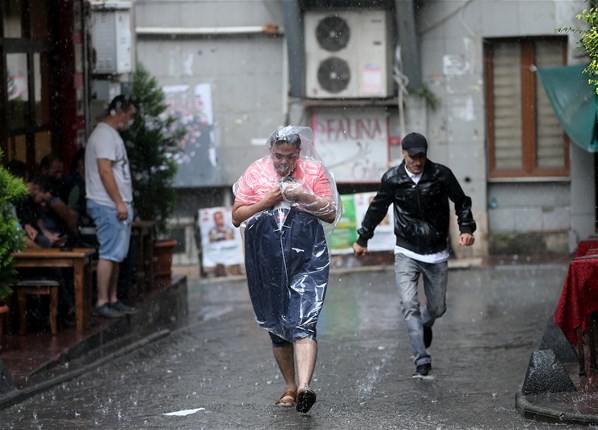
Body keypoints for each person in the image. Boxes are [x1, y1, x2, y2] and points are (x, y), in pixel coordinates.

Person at [231, 125, 339, 413]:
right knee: (277, 326)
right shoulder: (254, 173)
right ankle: (290, 386)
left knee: (304, 320)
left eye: (289, 157)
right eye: (278, 156)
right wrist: (267, 201)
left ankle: (304, 387)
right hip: (265, 258)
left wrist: (303, 196)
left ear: (298, 153)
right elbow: (236, 216)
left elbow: (330, 212)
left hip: (307, 257)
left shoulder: (314, 172)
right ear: (271, 152)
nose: (283, 162)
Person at [352, 132, 476, 378]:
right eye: (413, 157)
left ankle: (425, 323)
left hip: (437, 251)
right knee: (409, 304)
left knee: (438, 308)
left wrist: (466, 228)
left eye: (421, 156)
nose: (417, 161)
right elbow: (377, 208)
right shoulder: (393, 179)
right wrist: (363, 238)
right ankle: (422, 359)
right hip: (406, 249)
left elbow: (461, 201)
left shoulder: (441, 175)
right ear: (403, 154)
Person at [85, 95, 138, 318]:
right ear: (119, 112)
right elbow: (105, 171)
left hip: (116, 205)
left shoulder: (110, 134)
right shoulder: (104, 135)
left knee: (117, 254)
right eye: (130, 114)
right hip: (108, 205)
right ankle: (102, 301)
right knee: (109, 253)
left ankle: (113, 298)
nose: (131, 119)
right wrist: (118, 202)